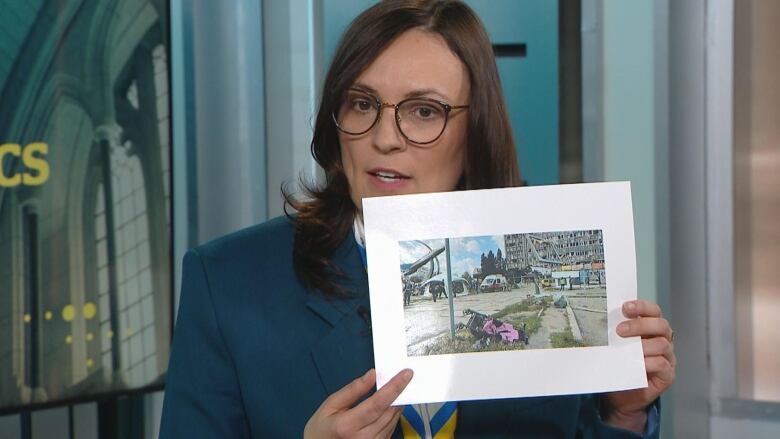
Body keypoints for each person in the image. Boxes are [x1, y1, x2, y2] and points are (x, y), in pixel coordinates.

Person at [159, 1, 676, 438]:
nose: (386, 137)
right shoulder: (227, 283)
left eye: (424, 111)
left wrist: (623, 412)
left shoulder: (535, 260)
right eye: (362, 104)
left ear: (475, 131)